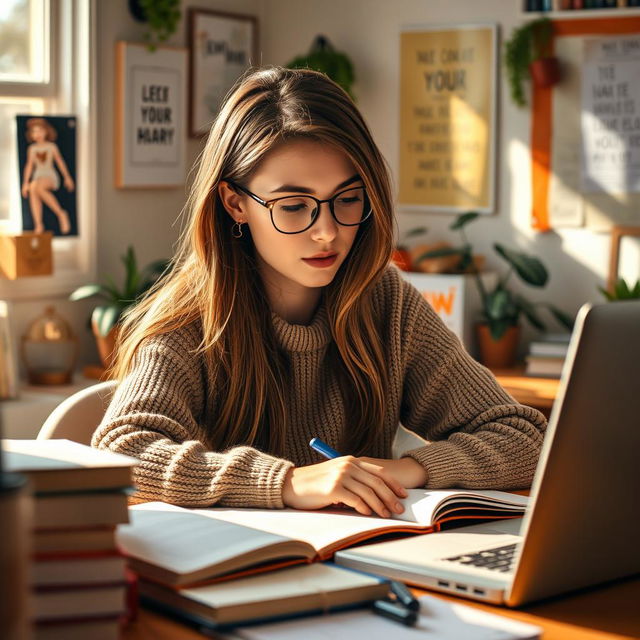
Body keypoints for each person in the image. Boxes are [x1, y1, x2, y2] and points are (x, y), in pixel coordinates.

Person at [92, 67, 546, 518]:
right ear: (235, 203)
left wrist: (405, 470)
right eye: (294, 207)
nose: (327, 232)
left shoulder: (386, 300)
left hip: (371, 562)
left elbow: (523, 436)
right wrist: (286, 482)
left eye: (347, 199)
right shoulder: (189, 319)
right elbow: (122, 453)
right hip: (242, 569)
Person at [21, 117, 74, 235]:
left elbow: (60, 162)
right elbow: (29, 166)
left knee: (38, 187)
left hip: (49, 176)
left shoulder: (51, 147)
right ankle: (38, 224)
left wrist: (67, 177)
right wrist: (25, 182)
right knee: (33, 188)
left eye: (40, 130)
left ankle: (61, 213)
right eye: (34, 131)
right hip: (37, 175)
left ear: (46, 131)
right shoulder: (32, 149)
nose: (37, 134)